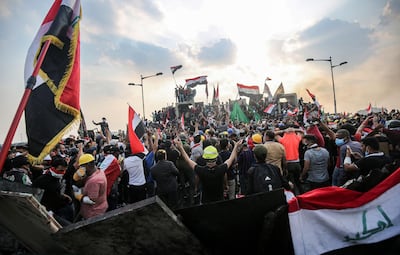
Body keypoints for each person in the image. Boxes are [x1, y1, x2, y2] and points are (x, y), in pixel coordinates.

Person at [174, 137, 243, 204]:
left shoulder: (201, 170)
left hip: (205, 201)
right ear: (216, 158)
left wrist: (180, 147)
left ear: (205, 158)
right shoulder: (221, 169)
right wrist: (236, 146)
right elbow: (231, 158)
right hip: (219, 200)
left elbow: (188, 160)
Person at [32, 156, 73, 225]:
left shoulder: (56, 178)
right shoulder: (43, 180)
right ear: (53, 168)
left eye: (64, 171)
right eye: (60, 170)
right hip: (48, 210)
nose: (62, 173)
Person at [73, 153, 108, 220]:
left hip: (93, 212)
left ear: (88, 165)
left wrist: (79, 196)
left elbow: (91, 200)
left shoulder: (94, 181)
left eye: (82, 166)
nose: (81, 168)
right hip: (100, 206)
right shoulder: (99, 171)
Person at [275, 127, 304, 195]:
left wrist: (283, 130)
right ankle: (302, 196)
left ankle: (293, 197)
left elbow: (273, 134)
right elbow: (302, 132)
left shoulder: (283, 139)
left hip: (288, 164)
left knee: (291, 183)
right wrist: (295, 129)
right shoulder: (297, 138)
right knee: (298, 182)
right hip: (297, 163)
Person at [98, 145, 121, 211]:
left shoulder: (107, 158)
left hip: (105, 187)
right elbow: (120, 173)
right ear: (116, 153)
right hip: (110, 188)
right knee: (111, 207)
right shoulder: (113, 160)